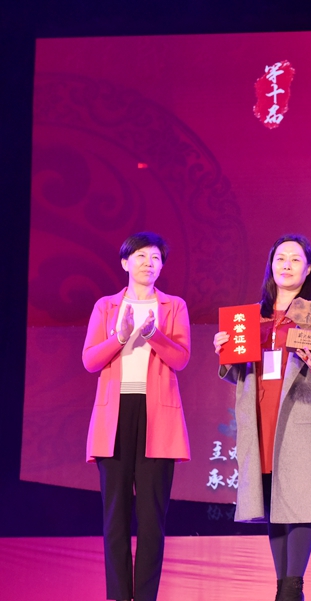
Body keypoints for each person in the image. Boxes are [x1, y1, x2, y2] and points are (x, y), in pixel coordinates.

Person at [214, 234, 311, 601]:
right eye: (280, 258)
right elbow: (238, 371)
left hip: (300, 416)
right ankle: (284, 589)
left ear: (308, 269)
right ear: (271, 265)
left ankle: (291, 589)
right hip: (260, 417)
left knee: (300, 502)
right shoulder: (249, 318)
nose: (286, 265)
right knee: (274, 503)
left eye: (295, 259)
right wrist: (224, 352)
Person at [82, 232, 191, 601]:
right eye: (141, 256)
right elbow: (90, 360)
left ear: (162, 266)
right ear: (125, 262)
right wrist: (121, 336)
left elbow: (180, 359)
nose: (149, 263)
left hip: (157, 416)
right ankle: (118, 595)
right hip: (115, 415)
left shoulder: (174, 306)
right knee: (114, 516)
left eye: (156, 257)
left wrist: (154, 334)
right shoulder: (106, 307)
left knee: (151, 518)